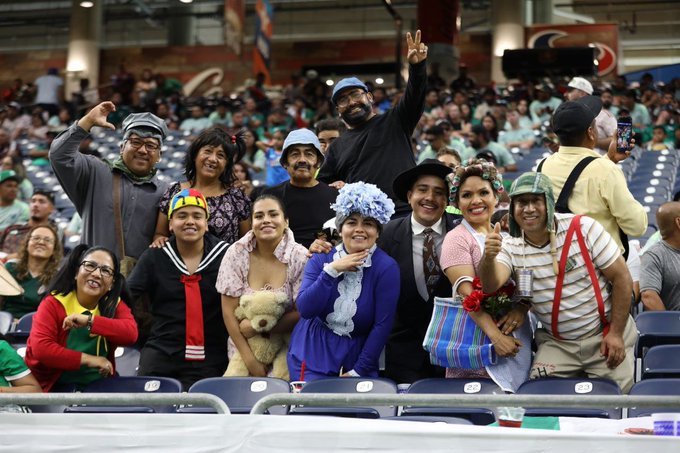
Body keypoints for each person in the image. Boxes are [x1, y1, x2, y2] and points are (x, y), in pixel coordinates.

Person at [479, 172, 637, 392]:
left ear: (550, 203)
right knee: (538, 399)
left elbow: (622, 278)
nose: (529, 208)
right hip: (558, 344)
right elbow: (490, 285)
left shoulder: (584, 228)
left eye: (537, 200)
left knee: (615, 401)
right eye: (522, 202)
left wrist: (616, 334)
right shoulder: (511, 244)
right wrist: (488, 257)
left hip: (602, 336)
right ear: (512, 208)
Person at [288, 183, 399, 381]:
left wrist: (359, 369)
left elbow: (383, 324)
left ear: (378, 231)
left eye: (368, 223)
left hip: (359, 354)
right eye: (351, 222)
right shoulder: (321, 257)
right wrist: (332, 271)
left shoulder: (386, 268)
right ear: (340, 229)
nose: (359, 230)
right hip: (313, 349)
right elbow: (305, 309)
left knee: (356, 411)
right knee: (310, 410)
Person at [438, 159, 531, 392]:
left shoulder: (510, 235)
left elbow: (528, 277)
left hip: (517, 338)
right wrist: (496, 338)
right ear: (457, 203)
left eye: (483, 192)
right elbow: (467, 296)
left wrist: (522, 307)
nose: (476, 201)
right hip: (478, 344)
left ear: (496, 197)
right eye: (467, 195)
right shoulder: (456, 238)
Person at [317, 30, 428, 217]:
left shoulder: (396, 121)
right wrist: (337, 188)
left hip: (404, 214)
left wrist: (417, 68)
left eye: (355, 95)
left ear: (369, 97)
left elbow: (415, 95)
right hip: (363, 223)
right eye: (343, 100)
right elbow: (320, 186)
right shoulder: (336, 147)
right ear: (338, 110)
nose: (351, 102)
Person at [128, 189, 230, 389]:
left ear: (206, 223)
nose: (190, 221)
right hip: (162, 351)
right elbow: (126, 295)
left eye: (197, 216)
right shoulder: (154, 256)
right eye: (182, 216)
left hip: (211, 355)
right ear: (170, 224)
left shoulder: (226, 256)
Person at [49, 101, 169, 261]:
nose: (142, 150)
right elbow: (59, 156)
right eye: (135, 142)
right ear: (121, 147)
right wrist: (87, 122)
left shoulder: (166, 193)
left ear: (159, 155)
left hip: (137, 284)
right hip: (92, 279)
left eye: (151, 145)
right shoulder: (95, 172)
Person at [379, 160, 463, 383]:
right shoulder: (385, 235)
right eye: (422, 190)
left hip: (453, 351)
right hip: (402, 355)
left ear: (447, 200)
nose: (430, 198)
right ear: (409, 196)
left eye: (439, 192)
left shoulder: (463, 232)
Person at [538, 95, 647, 255]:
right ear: (590, 132)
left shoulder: (543, 166)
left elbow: (578, 172)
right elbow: (637, 227)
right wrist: (608, 163)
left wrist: (609, 158)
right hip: (600, 266)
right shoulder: (606, 170)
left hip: (561, 258)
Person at [216, 194, 308, 378]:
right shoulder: (236, 253)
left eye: (273, 214)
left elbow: (303, 313)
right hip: (243, 353)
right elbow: (228, 312)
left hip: (288, 350)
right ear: (252, 223)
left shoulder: (300, 256)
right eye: (259, 216)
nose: (266, 220)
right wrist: (250, 362)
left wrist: (259, 327)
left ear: (286, 221)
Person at [24, 245, 138, 392]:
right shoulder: (53, 303)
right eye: (90, 266)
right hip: (52, 388)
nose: (97, 274)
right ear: (77, 272)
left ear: (112, 283)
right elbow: (42, 350)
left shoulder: (113, 304)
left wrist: (89, 320)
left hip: (97, 386)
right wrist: (90, 360)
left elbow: (130, 334)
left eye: (105, 270)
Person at [153, 126, 251, 247]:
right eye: (208, 151)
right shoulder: (174, 192)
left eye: (220, 155)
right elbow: (160, 233)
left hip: (225, 265)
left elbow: (247, 243)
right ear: (195, 155)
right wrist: (160, 239)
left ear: (226, 164)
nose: (213, 159)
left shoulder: (236, 198)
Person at [262, 129, 337, 249]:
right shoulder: (269, 197)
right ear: (285, 162)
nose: (302, 160)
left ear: (318, 162)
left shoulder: (335, 197)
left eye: (309, 154)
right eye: (295, 154)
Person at [0, 225, 62, 320]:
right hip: (5, 323)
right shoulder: (11, 267)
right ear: (27, 244)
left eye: (47, 240)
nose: (41, 242)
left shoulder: (58, 277)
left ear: (54, 249)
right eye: (36, 238)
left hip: (37, 327)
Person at [640, 202, 680, 311]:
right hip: (674, 324)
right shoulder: (654, 255)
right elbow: (649, 296)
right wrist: (669, 323)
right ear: (678, 222)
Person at [0, 189, 57, 259]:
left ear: (52, 209)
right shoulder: (12, 228)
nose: (35, 205)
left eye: (41, 202)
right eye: (33, 201)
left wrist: (9, 258)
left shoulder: (54, 233)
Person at [566, 77, 616, 151]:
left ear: (582, 93)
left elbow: (617, 140)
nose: (566, 94)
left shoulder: (604, 115)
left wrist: (591, 141)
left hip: (600, 160)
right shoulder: (568, 114)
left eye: (570, 91)